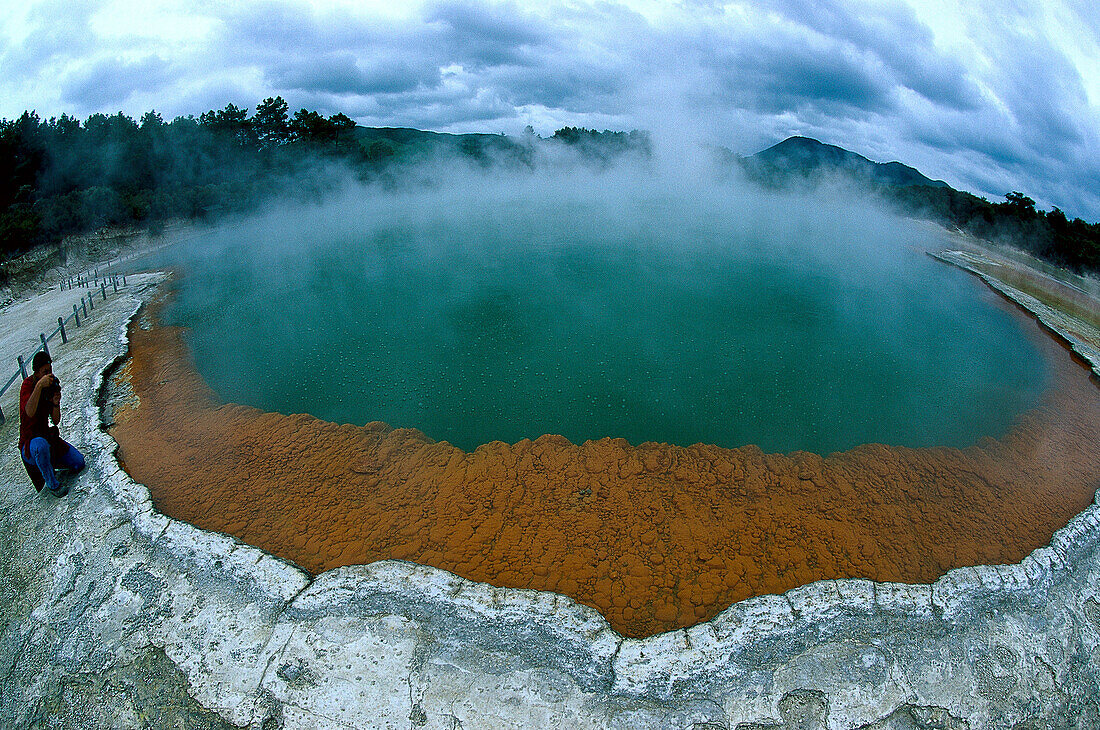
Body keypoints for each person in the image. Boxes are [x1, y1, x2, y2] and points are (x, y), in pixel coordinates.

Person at [19, 351, 85, 497]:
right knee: (40, 445)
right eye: (45, 371)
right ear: (36, 372)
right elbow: (29, 412)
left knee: (78, 463)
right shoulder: (28, 385)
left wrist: (56, 404)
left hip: (47, 438)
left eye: (50, 370)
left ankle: (47, 464)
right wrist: (39, 387)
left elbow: (55, 420)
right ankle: (52, 484)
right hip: (30, 444)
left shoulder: (50, 384)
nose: (49, 374)